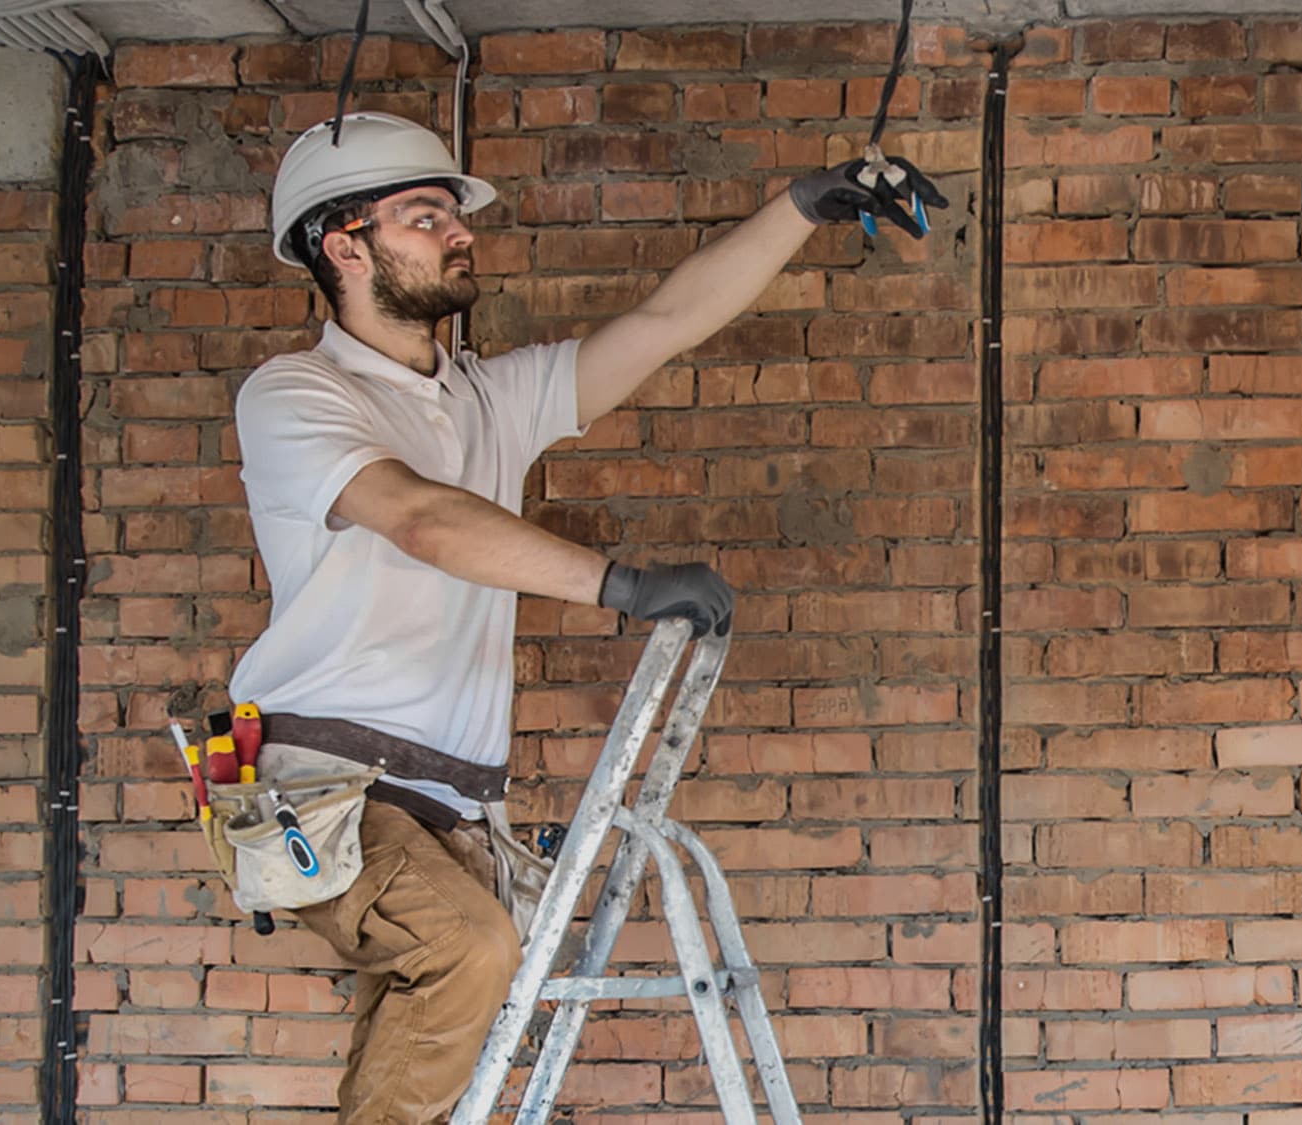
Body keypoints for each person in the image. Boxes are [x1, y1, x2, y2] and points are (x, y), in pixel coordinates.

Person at [224, 111, 946, 1124]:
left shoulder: (484, 400)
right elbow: (421, 519)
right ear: (344, 246)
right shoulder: (295, 394)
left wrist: (799, 208)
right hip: (325, 782)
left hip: (452, 805)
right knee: (466, 951)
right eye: (425, 216)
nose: (460, 233)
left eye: (454, 217)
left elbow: (663, 323)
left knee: (445, 993)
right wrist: (620, 584)